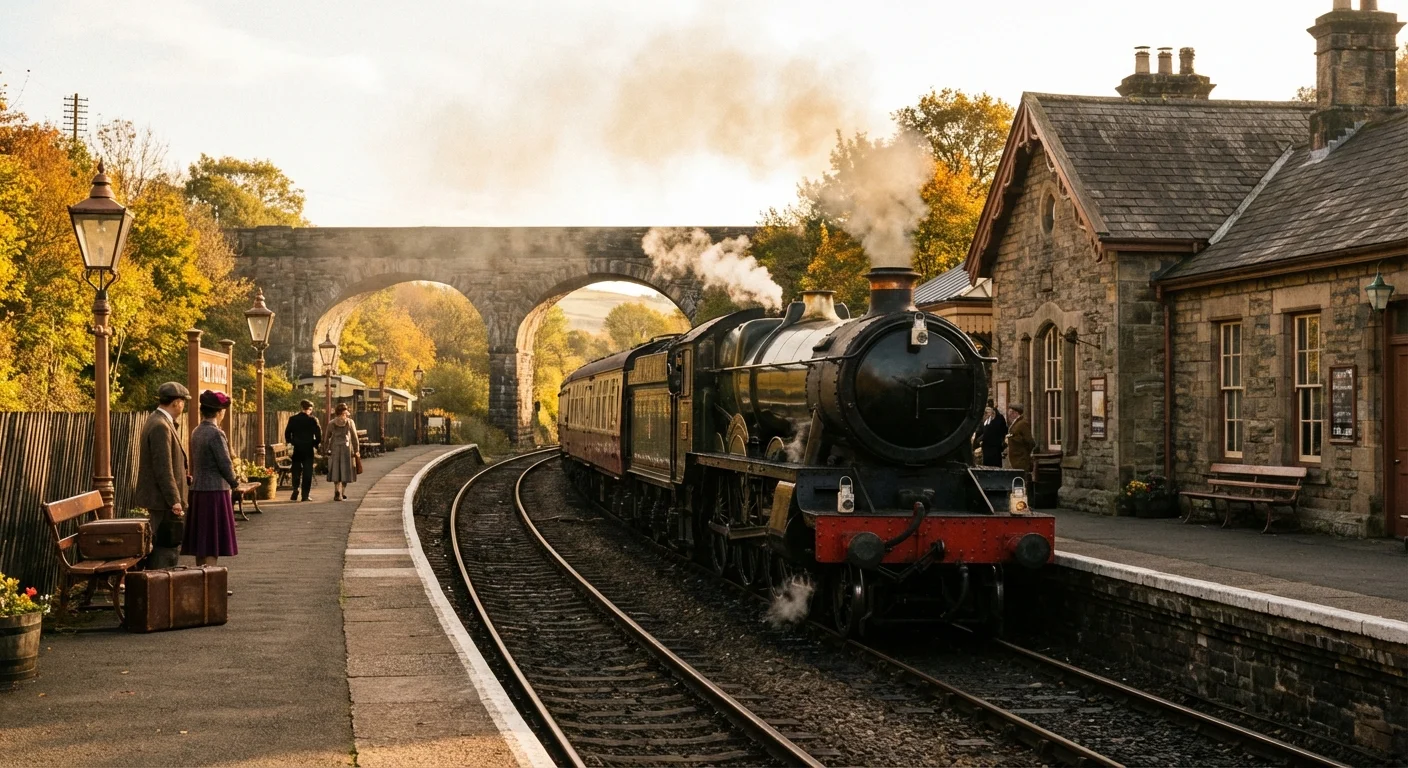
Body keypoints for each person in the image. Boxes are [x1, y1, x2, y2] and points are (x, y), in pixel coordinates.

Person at [134, 382, 190, 569]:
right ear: (176, 403)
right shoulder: (161, 426)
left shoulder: (158, 421)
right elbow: (163, 467)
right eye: (183, 402)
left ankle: (160, 584)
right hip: (162, 500)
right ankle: (159, 585)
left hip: (161, 498)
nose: (183, 407)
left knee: (164, 545)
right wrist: (174, 499)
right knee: (164, 547)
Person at [184, 390, 239, 568]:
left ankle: (200, 580)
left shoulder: (196, 431)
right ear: (220, 412)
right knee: (212, 542)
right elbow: (224, 463)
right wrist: (235, 482)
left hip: (198, 490)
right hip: (215, 491)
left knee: (201, 542)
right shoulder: (216, 434)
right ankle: (212, 583)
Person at [283, 399, 321, 502]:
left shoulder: (293, 419)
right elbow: (318, 435)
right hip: (308, 449)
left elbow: (287, 433)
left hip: (297, 448)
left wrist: (291, 442)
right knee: (307, 472)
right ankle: (305, 495)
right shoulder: (313, 420)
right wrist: (315, 444)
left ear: (301, 408)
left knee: (296, 470)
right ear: (310, 409)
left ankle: (295, 489)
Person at [325, 403, 360, 501]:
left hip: (335, 448)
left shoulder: (332, 423)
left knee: (336, 470)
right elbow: (354, 437)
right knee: (346, 470)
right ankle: (343, 492)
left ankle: (337, 490)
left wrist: (325, 449)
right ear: (345, 412)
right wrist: (357, 450)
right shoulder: (349, 422)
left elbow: (326, 437)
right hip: (346, 449)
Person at [1005, 403, 1036, 475]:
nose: (1009, 414)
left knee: (1021, 480)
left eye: (1010, 412)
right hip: (1015, 460)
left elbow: (1030, 442)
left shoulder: (1022, 424)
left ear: (1015, 413)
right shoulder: (1015, 423)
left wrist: (1024, 454)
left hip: (1021, 460)